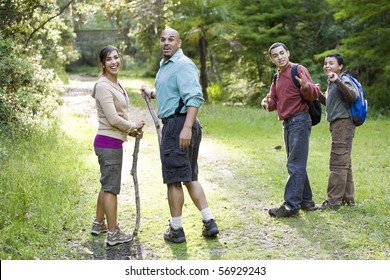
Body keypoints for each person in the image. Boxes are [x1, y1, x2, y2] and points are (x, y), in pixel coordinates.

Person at [140, 28, 219, 243]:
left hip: (179, 126)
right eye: (163, 39)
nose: (166, 43)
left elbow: (194, 97)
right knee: (189, 176)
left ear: (179, 43)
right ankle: (209, 222)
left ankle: (176, 230)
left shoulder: (183, 65)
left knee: (174, 180)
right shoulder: (166, 65)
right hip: (179, 123)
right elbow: (174, 93)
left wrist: (185, 128)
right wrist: (152, 93)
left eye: (171, 39)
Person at [90, 45, 145, 246]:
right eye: (109, 59)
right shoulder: (103, 85)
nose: (114, 62)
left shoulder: (115, 83)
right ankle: (113, 234)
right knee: (111, 188)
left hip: (111, 142)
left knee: (107, 184)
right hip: (108, 143)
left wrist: (130, 131)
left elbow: (118, 116)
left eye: (116, 57)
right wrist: (131, 126)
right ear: (102, 64)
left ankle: (99, 224)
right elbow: (113, 118)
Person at [261, 42, 320, 217]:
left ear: (288, 52)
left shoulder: (298, 69)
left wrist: (305, 86)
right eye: (275, 55)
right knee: (297, 162)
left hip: (300, 120)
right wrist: (265, 103)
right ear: (272, 59)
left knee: (294, 163)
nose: (280, 57)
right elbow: (273, 102)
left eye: (282, 53)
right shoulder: (276, 77)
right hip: (287, 123)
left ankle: (291, 205)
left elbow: (313, 93)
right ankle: (306, 201)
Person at [316, 53, 357, 210]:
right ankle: (348, 198)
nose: (327, 65)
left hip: (343, 124)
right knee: (344, 162)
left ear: (340, 66)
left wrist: (338, 80)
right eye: (325, 63)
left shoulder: (343, 79)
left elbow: (352, 96)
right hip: (337, 125)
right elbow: (330, 103)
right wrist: (318, 94)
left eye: (331, 63)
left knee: (338, 163)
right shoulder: (332, 83)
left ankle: (333, 202)